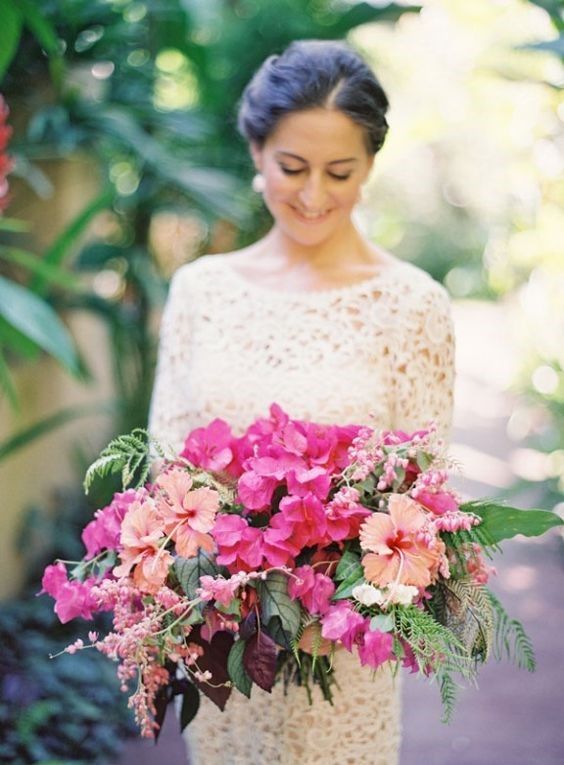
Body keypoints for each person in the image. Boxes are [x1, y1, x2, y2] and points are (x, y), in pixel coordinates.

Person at [148, 38, 456, 765]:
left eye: (339, 171)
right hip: (225, 648)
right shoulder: (202, 290)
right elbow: (161, 472)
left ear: (371, 166)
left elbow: (428, 498)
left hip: (343, 656)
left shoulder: (414, 303)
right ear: (257, 151)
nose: (314, 194)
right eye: (292, 167)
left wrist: (345, 597)